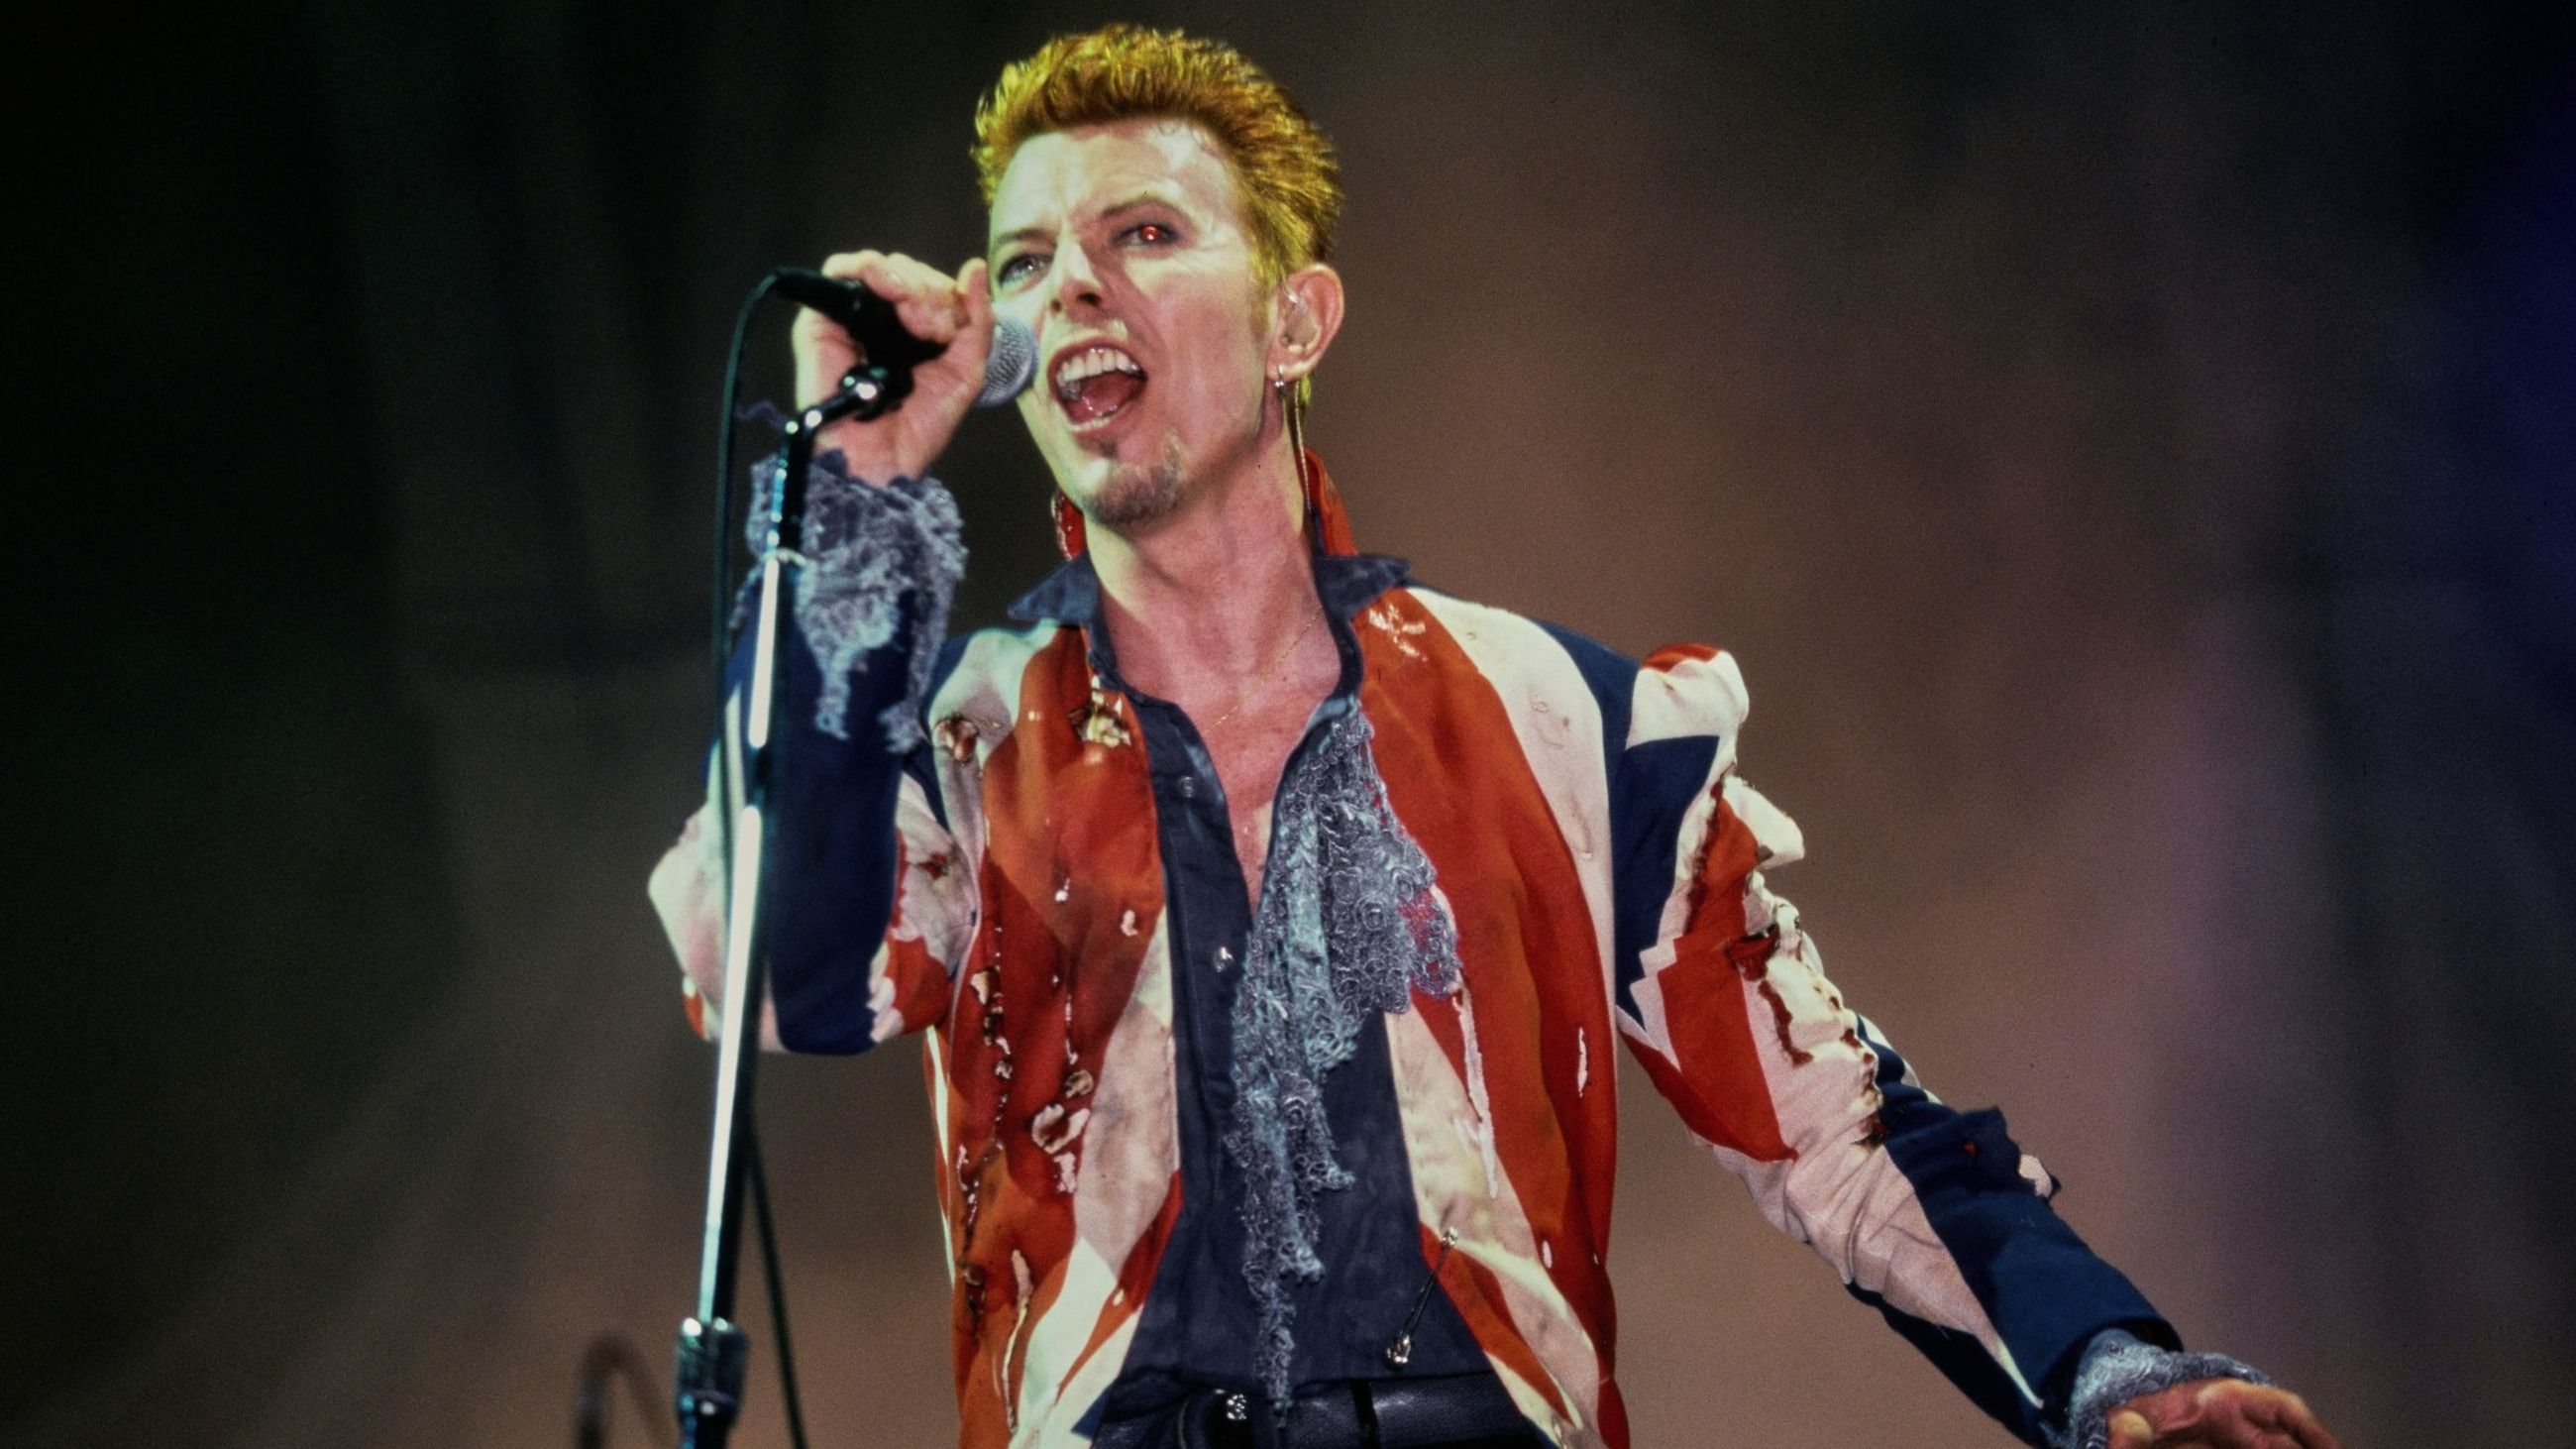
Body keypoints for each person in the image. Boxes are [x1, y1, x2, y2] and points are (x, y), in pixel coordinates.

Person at [651, 25, 2341, 1449]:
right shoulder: (945, 735)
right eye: (1026, 261)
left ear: (1298, 322)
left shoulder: (1563, 718)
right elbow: (793, 983)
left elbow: (1844, 1127)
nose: (1072, 282)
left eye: (1147, 235)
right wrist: (853, 515)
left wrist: (2109, 1361)